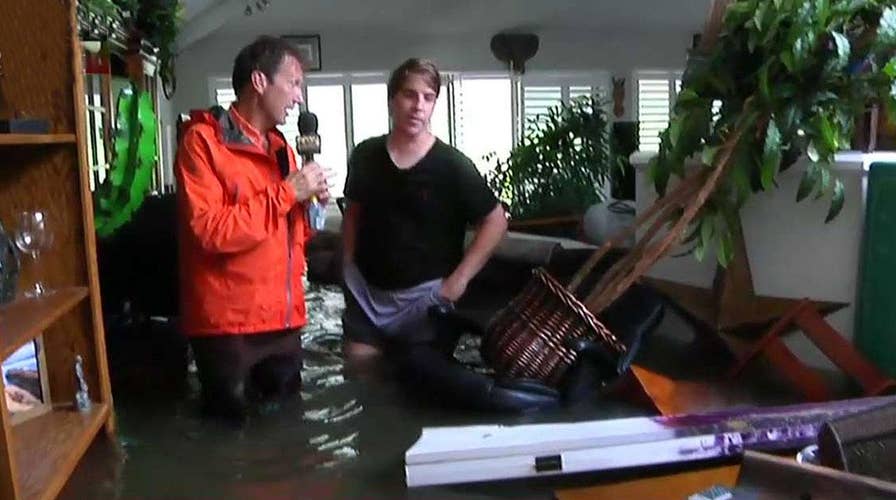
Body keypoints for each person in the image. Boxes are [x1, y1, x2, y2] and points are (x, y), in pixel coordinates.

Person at [175, 35, 329, 422]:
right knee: (230, 442)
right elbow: (210, 231)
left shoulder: (282, 149)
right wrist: (286, 193)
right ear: (259, 82)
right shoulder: (202, 143)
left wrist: (312, 208)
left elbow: (291, 237)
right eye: (293, 84)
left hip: (285, 320)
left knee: (288, 434)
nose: (298, 99)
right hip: (229, 327)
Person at [341, 58, 508, 362]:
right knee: (360, 382)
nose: (418, 105)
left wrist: (459, 280)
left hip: (427, 297)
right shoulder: (365, 155)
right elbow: (354, 211)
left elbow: (495, 221)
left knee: (417, 388)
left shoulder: (453, 165)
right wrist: (348, 264)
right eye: (409, 94)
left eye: (428, 98)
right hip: (367, 294)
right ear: (392, 100)